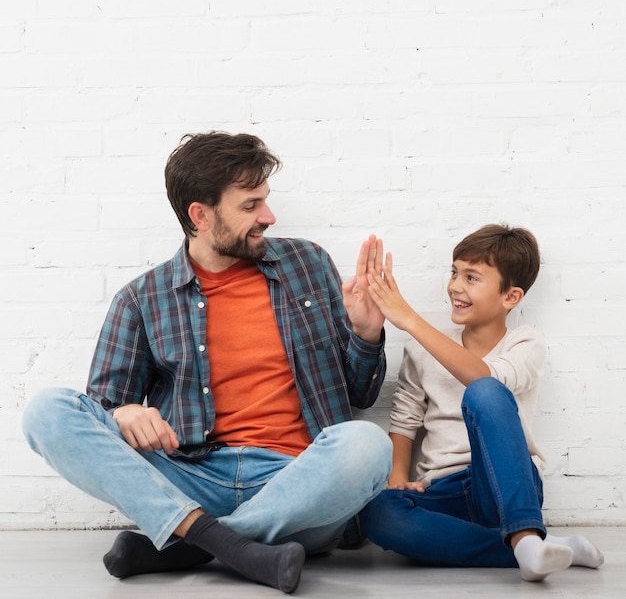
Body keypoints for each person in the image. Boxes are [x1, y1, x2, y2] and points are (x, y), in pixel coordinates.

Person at [22, 131, 392, 594]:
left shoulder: (308, 264)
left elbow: (360, 394)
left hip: (297, 485)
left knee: (368, 444)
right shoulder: (142, 298)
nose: (268, 217)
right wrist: (122, 412)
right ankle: (235, 545)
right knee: (46, 411)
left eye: (266, 201)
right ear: (200, 215)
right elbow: (96, 412)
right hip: (191, 477)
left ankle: (193, 542)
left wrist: (365, 332)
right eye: (250, 205)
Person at [359, 224, 604, 582]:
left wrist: (410, 320)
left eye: (472, 277)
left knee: (484, 391)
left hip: (505, 488)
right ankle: (531, 547)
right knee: (376, 512)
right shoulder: (422, 351)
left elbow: (482, 377)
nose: (456, 285)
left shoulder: (525, 344)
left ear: (511, 297)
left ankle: (522, 532)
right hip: (443, 490)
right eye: (455, 272)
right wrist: (398, 477)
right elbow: (405, 418)